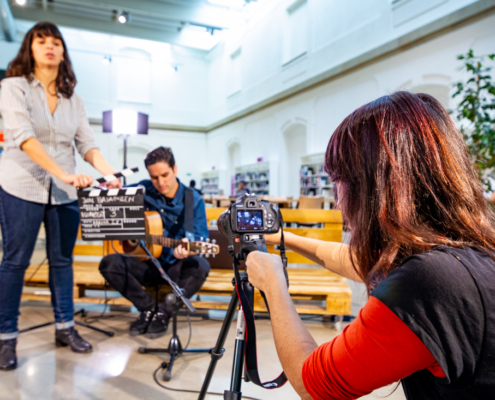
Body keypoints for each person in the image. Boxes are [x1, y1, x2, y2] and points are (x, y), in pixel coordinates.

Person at [245, 91, 495, 399]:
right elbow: (357, 261)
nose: (339, 199)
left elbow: (313, 384)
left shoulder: (429, 282)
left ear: (371, 186)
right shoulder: (471, 250)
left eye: (341, 182)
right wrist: (287, 240)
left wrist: (273, 285)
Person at [0, 22, 121, 371]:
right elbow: (22, 136)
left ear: (63, 52)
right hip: (20, 186)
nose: (49, 47)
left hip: (66, 193)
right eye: (42, 41)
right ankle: (6, 337)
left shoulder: (75, 100)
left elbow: (87, 144)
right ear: (30, 48)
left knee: (62, 262)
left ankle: (65, 328)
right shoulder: (12, 87)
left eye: (56, 42)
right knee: (15, 262)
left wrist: (108, 171)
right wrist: (63, 172)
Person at [99, 147, 210, 339]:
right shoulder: (142, 190)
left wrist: (188, 248)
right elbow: (112, 203)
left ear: (175, 169)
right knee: (109, 263)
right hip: (146, 264)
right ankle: (148, 309)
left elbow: (199, 238)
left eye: (165, 175)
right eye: (154, 177)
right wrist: (112, 192)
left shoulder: (193, 199)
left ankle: (163, 314)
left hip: (175, 268)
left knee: (200, 265)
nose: (160, 182)